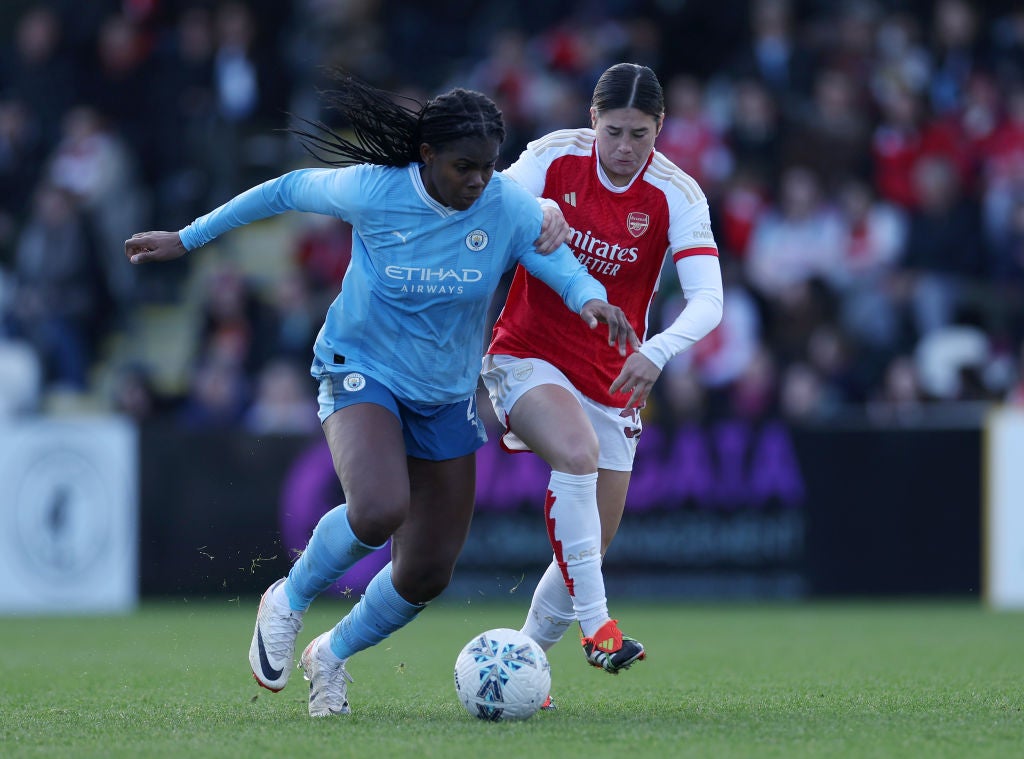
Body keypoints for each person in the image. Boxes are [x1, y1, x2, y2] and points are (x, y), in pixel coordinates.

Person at [124, 74, 637, 718]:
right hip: (360, 367)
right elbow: (285, 189)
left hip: (446, 396)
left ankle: (330, 656)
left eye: (487, 167)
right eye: (463, 168)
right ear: (427, 156)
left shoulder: (506, 206)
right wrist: (188, 237)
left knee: (427, 574)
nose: (477, 180)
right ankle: (288, 600)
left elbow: (553, 260)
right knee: (378, 509)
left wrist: (590, 297)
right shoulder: (374, 189)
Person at [482, 63, 724, 702]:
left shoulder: (677, 194)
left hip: (612, 377)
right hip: (526, 354)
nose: (624, 148)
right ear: (592, 121)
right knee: (575, 455)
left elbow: (709, 299)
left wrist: (661, 351)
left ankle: (520, 663)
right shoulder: (554, 157)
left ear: (659, 129)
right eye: (613, 130)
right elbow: (495, 200)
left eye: (639, 134)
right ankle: (599, 630)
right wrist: (534, 207)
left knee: (589, 542)